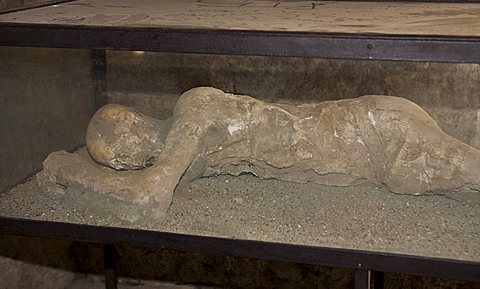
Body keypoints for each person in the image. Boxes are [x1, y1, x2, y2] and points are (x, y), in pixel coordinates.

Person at [45, 87, 480, 220]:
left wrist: (66, 169)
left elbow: (148, 196)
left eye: (117, 155)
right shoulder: (189, 158)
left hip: (374, 132)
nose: (122, 162)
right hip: (369, 162)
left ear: (134, 123)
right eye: (113, 160)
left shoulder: (192, 111)